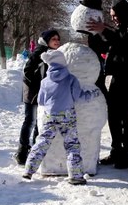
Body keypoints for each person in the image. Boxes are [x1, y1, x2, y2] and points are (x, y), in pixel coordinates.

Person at [22, 50, 99, 185]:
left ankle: (28, 170)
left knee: (42, 143)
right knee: (72, 145)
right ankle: (75, 176)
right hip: (67, 116)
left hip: (50, 115)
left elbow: (41, 100)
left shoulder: (45, 81)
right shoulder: (71, 79)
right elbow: (79, 97)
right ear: (63, 63)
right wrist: (93, 94)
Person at [86, 0, 128, 169]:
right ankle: (116, 151)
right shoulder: (119, 30)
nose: (114, 19)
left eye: (115, 16)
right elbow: (107, 46)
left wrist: (105, 30)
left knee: (126, 116)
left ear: (123, 13)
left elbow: (124, 45)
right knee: (113, 116)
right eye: (111, 17)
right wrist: (94, 33)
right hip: (117, 78)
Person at [13, 29, 61, 165]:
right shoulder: (39, 53)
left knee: (41, 122)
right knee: (30, 121)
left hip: (45, 95)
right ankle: (22, 151)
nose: (57, 42)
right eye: (54, 39)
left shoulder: (55, 54)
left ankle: (35, 149)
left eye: (58, 39)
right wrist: (39, 88)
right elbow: (27, 73)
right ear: (47, 41)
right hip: (33, 94)